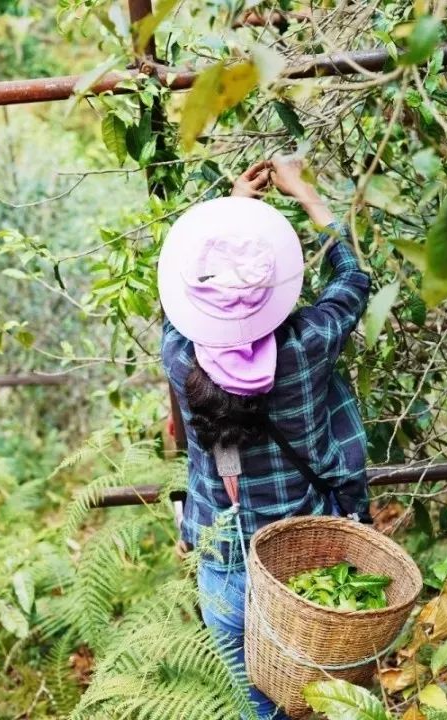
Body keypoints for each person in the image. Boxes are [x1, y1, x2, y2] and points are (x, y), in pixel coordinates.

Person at [158, 157, 372, 720]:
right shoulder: (306, 346)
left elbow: (179, 299)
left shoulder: (179, 355)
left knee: (256, 706)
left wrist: (235, 208)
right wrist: (306, 194)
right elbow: (352, 279)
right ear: (276, 290)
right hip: (302, 564)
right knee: (320, 702)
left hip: (223, 563)